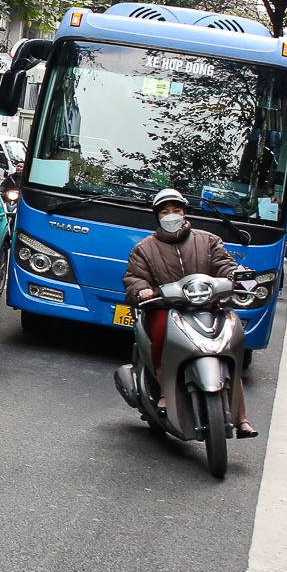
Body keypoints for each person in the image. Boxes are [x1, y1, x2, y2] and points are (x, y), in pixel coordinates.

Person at [116, 187, 258, 438]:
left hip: (207, 307)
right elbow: (134, 279)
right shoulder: (144, 249)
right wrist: (144, 291)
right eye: (165, 211)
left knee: (231, 347)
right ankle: (163, 391)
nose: (172, 215)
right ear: (158, 216)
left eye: (176, 210)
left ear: (184, 213)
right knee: (161, 335)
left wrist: (236, 274)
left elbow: (225, 265)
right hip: (165, 309)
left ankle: (242, 418)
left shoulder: (208, 240)